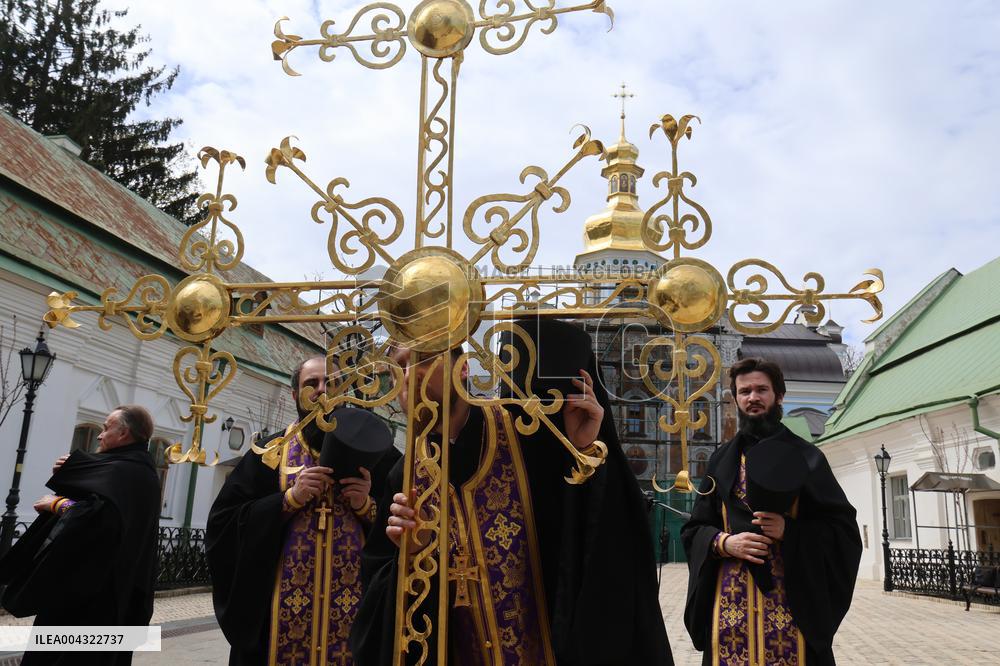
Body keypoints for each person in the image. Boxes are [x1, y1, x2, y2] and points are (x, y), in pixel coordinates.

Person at [350, 319, 673, 665]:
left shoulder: (524, 430)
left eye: (424, 360)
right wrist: (411, 557)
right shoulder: (406, 472)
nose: (409, 376)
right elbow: (378, 593)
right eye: (398, 367)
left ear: (462, 368)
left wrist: (584, 453)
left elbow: (588, 541)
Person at [206, 355, 401, 665]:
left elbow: (408, 528)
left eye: (332, 383)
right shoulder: (268, 454)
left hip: (356, 619)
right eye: (311, 383)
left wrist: (367, 506)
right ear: (295, 395)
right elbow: (224, 525)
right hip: (276, 625)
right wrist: (288, 500)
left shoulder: (380, 454)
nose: (322, 390)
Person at [681, 357, 862, 666]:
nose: (753, 398)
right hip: (729, 608)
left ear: (779, 395)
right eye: (744, 391)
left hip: (792, 606)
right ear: (735, 398)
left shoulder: (808, 457)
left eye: (762, 390)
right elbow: (694, 529)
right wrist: (724, 543)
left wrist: (790, 531)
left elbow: (843, 532)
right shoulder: (720, 461)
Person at [0, 405, 161, 666]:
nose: (99, 435)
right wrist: (78, 476)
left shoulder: (125, 471)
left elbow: (102, 519)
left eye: (106, 428)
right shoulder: (140, 470)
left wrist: (57, 504)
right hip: (110, 591)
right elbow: (102, 503)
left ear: (123, 434)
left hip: (89, 596)